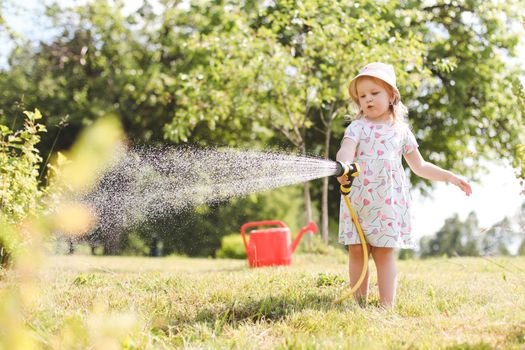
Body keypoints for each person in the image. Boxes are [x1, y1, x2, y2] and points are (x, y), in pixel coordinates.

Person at [336, 62, 472, 308]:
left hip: (387, 203)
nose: (367, 99)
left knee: (384, 252)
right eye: (362, 96)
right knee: (357, 251)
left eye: (374, 93)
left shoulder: (401, 132)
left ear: (392, 95)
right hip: (357, 201)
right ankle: (358, 304)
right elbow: (345, 151)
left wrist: (450, 176)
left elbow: (420, 166)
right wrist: (343, 166)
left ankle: (386, 306)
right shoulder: (357, 127)